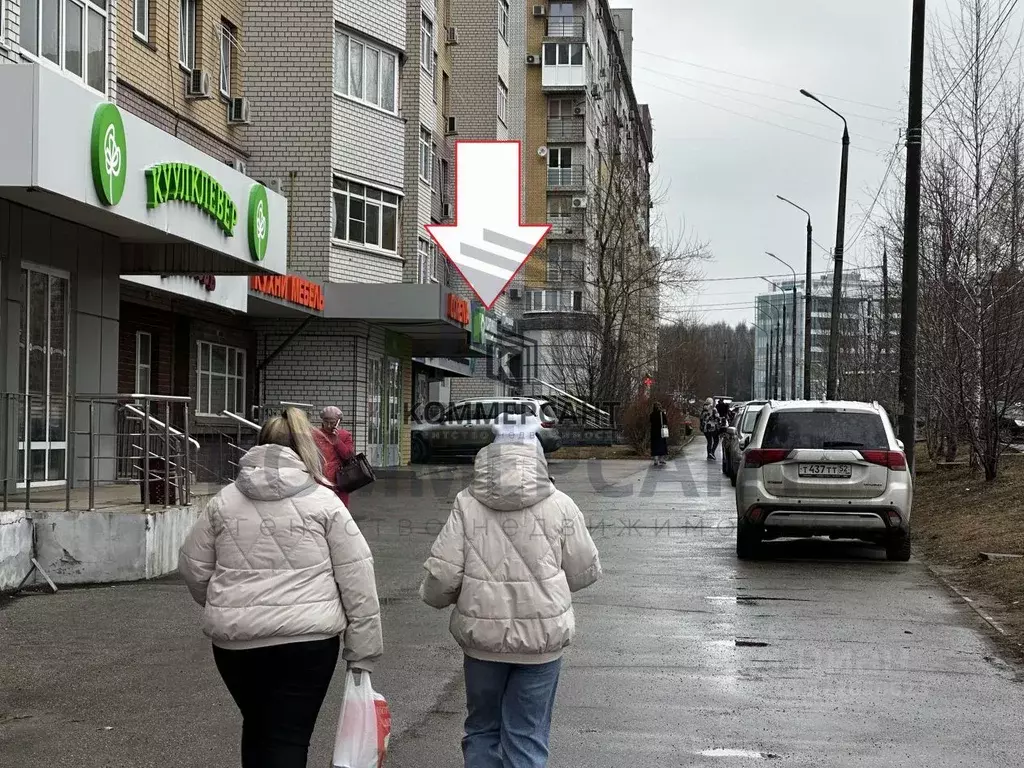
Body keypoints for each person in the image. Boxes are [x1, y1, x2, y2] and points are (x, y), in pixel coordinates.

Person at [178, 407, 382, 768]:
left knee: (257, 728)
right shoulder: (326, 503)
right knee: (288, 736)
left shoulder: (223, 502)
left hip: (236, 646)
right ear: (307, 449)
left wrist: (225, 603)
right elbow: (357, 577)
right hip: (306, 645)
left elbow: (193, 566)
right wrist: (362, 650)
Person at [419, 415, 602, 768]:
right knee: (527, 737)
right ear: (537, 457)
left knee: (482, 731)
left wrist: (432, 597)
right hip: (541, 645)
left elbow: (442, 577)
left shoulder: (467, 503)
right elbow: (584, 572)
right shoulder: (561, 504)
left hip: (482, 643)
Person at [313, 405, 355, 507]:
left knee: (339, 509)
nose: (328, 425)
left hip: (339, 480)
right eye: (326, 422)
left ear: (338, 422)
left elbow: (348, 456)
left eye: (332, 422)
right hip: (320, 478)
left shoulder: (344, 435)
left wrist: (337, 441)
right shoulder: (315, 434)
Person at [649, 401, 669, 466]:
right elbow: (665, 421)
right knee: (661, 446)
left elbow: (651, 421)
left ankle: (655, 459)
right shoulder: (662, 413)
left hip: (654, 432)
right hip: (661, 432)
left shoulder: (651, 414)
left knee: (655, 446)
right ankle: (661, 459)